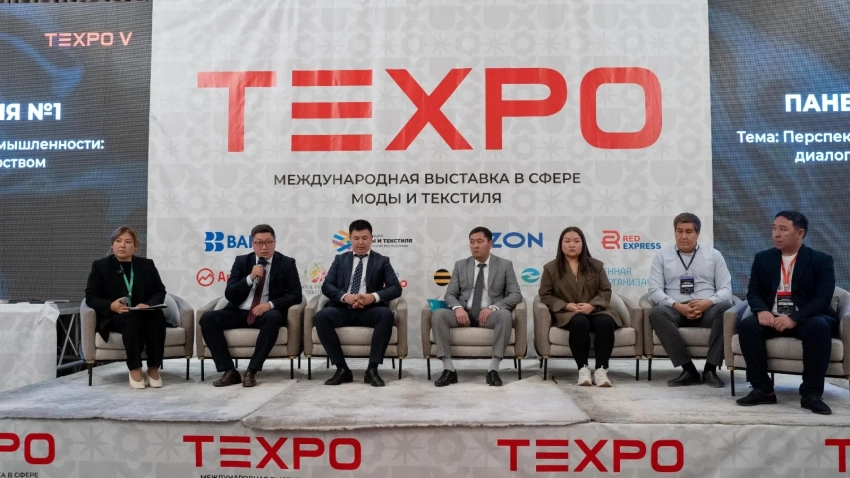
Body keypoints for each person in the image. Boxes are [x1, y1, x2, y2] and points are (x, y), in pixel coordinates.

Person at [736, 211, 837, 415]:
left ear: (800, 233)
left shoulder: (821, 260)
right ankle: (763, 389)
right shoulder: (763, 258)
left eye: (783, 229)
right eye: (774, 228)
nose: (776, 234)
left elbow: (822, 298)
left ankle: (811, 395)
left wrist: (794, 319)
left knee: (819, 327)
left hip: (806, 318)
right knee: (747, 326)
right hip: (772, 317)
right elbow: (753, 292)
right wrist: (762, 311)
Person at [199, 224, 302, 387]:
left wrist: (270, 304)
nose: (264, 247)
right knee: (207, 319)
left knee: (274, 317)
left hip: (265, 313)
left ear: (274, 243)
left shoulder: (287, 263)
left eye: (268, 242)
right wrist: (249, 278)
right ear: (252, 244)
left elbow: (296, 295)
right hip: (239, 312)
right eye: (259, 243)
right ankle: (229, 371)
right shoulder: (241, 262)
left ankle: (252, 371)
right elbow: (230, 293)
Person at [647, 213, 733, 388]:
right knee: (657, 313)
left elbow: (726, 289)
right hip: (676, 308)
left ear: (697, 234)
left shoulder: (714, 255)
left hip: (707, 308)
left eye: (688, 231)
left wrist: (707, 303)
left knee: (725, 309)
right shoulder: (662, 256)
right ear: (674, 232)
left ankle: (710, 369)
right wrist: (677, 306)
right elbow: (654, 291)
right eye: (679, 231)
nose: (683, 236)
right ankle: (688, 370)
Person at [315, 219, 402, 387]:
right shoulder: (340, 259)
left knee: (385, 314)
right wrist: (345, 297)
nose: (360, 242)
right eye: (356, 238)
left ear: (371, 239)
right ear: (350, 239)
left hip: (369, 310)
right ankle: (342, 369)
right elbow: (327, 286)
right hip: (343, 309)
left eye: (364, 238)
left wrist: (372, 297)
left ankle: (372, 370)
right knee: (321, 317)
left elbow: (396, 288)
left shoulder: (382, 261)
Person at [432, 226, 522, 387]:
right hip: (464, 313)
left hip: (489, 316)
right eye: (472, 242)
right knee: (439, 314)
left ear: (490, 244)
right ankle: (448, 369)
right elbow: (450, 294)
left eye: (480, 242)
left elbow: (515, 294)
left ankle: (493, 370)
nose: (475, 246)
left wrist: (493, 308)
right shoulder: (461, 265)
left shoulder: (504, 265)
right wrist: (457, 308)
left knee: (505, 315)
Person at [85, 226, 168, 389]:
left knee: (157, 316)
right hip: (115, 316)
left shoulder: (146, 265)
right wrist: (111, 306)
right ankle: (135, 367)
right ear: (112, 245)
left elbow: (160, 291)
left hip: (143, 313)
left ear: (136, 246)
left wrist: (148, 305)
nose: (122, 245)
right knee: (132, 319)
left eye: (128, 242)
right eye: (118, 241)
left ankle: (153, 367)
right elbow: (91, 297)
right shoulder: (100, 266)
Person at [539, 226, 620, 386]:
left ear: (583, 244)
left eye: (576, 241)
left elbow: (605, 290)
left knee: (605, 322)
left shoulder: (596, 266)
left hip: (596, 310)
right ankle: (583, 369)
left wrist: (592, 305)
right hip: (569, 313)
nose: (572, 245)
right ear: (561, 244)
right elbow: (545, 295)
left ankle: (601, 370)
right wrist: (566, 305)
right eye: (567, 241)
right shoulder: (551, 268)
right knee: (579, 322)